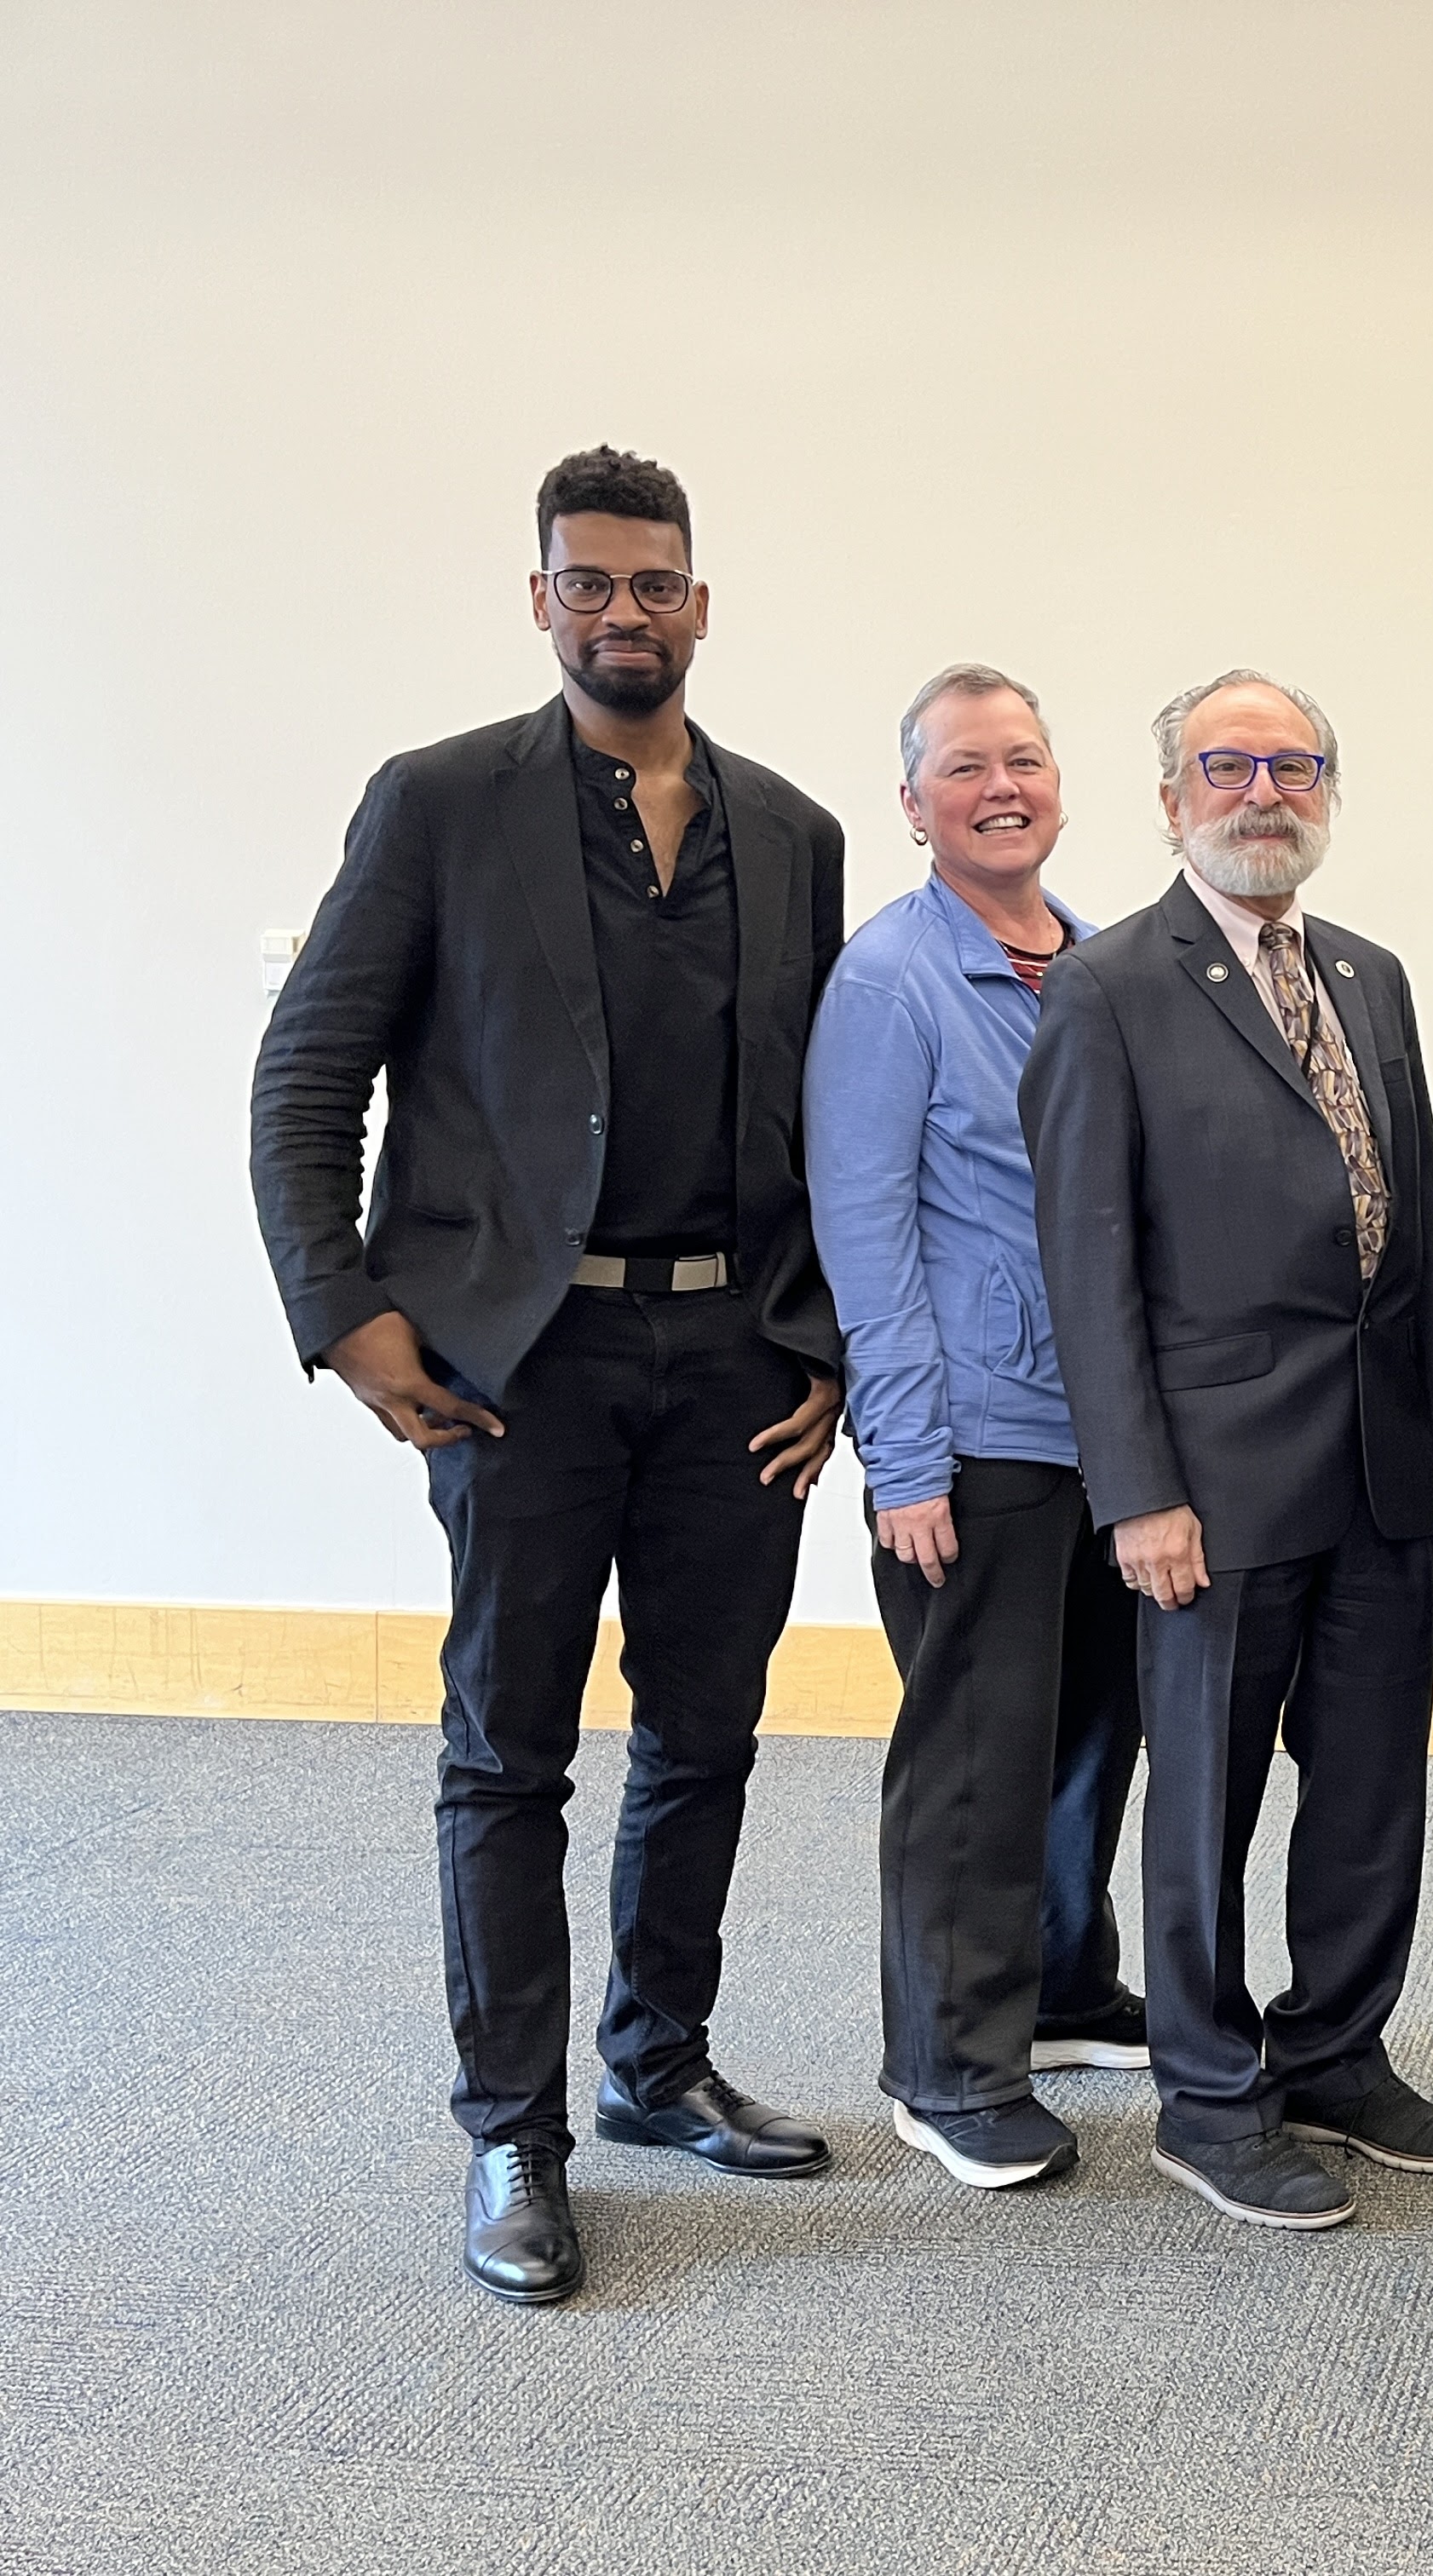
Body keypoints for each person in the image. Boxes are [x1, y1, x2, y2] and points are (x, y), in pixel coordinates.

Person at [248, 446, 847, 2307]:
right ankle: (513, 2126)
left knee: (707, 1729)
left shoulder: (797, 831)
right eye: (587, 583)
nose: (623, 611)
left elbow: (838, 1117)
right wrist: (345, 1312)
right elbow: (308, 1071)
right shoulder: (438, 806)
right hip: (520, 1358)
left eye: (654, 582)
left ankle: (657, 2062)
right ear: (541, 602)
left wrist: (825, 1340)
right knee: (508, 1751)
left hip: (734, 1352)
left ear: (701, 602)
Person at [1022, 670, 1433, 2232]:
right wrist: (1135, 1493)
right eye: (1228, 766)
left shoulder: (1368, 972)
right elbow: (1085, 1268)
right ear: (1169, 801)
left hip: (1379, 1468)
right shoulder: (1105, 990)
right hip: (1211, 1487)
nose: (1264, 792)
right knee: (1206, 1793)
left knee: (1369, 1782)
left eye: (1296, 768)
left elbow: (1412, 1211)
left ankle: (1338, 2053)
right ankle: (1210, 2096)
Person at [807, 664, 1148, 2194]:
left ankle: (1067, 1987)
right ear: (914, 806)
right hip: (978, 1431)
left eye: (1023, 759)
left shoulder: (1097, 961)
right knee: (975, 1756)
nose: (1000, 786)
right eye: (964, 768)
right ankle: (946, 2064)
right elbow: (864, 1228)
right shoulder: (891, 981)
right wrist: (905, 1456)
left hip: (1114, 1434)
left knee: (1090, 1731)